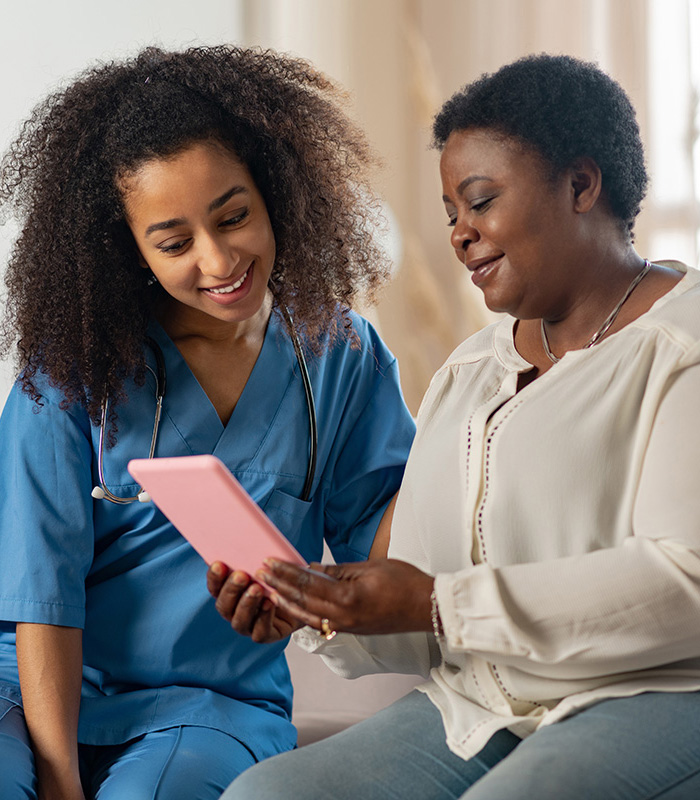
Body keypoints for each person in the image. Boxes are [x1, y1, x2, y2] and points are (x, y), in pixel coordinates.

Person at [217, 54, 700, 799]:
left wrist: (438, 603)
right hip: (482, 706)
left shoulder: (682, 343)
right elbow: (423, 605)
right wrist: (323, 610)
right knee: (264, 795)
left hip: (660, 693)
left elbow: (685, 582)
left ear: (580, 185)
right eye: (450, 214)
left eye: (480, 202)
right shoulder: (471, 372)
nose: (460, 234)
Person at [0, 46, 415, 800]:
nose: (219, 259)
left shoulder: (343, 356)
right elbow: (41, 596)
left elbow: (387, 552)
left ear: (276, 194)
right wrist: (59, 783)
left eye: (235, 217)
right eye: (174, 241)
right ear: (127, 248)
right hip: (34, 682)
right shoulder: (70, 369)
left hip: (211, 704)